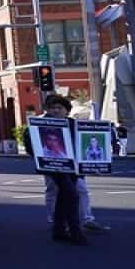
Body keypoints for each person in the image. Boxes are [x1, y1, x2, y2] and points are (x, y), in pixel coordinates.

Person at [39, 95, 87, 246]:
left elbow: (82, 142)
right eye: (53, 107)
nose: (56, 110)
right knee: (72, 196)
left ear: (67, 110)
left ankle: (58, 230)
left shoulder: (73, 124)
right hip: (54, 166)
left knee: (62, 197)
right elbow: (31, 142)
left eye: (59, 108)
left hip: (72, 167)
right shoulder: (41, 124)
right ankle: (76, 233)